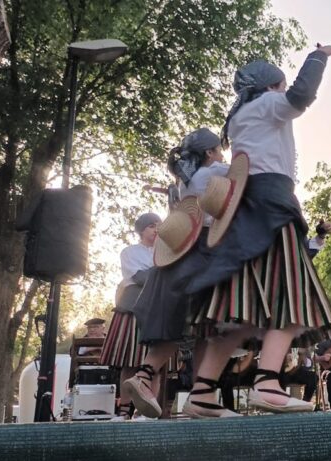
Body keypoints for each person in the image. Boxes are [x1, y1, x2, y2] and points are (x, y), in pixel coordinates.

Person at [175, 45, 331, 417]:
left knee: (245, 315)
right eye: (280, 82)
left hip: (245, 208)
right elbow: (301, 98)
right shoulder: (269, 104)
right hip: (273, 206)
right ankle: (267, 383)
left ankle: (201, 393)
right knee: (294, 303)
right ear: (272, 85)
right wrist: (318, 58)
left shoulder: (238, 118)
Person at [123, 127, 234, 419]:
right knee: (200, 324)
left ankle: (199, 395)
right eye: (218, 149)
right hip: (202, 252)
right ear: (210, 152)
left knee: (198, 329)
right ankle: (157, 380)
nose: (222, 152)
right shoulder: (210, 173)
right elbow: (246, 170)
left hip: (180, 253)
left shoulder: (186, 180)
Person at [100, 213, 160, 419]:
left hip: (159, 310)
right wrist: (164, 272)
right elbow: (139, 277)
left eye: (158, 226)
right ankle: (124, 411)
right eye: (151, 226)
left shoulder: (167, 251)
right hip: (132, 308)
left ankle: (149, 412)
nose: (156, 230)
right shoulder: (130, 252)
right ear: (141, 230)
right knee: (129, 363)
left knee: (156, 366)